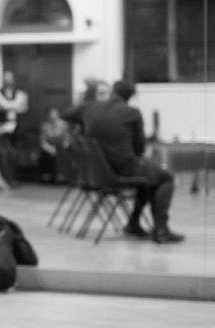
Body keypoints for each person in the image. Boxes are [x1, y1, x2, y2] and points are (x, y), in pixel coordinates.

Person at [62, 79, 184, 244]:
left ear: (112, 91)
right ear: (131, 96)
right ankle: (161, 229)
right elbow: (140, 148)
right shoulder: (132, 113)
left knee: (148, 178)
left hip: (97, 173)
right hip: (122, 170)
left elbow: (67, 114)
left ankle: (133, 224)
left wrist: (88, 112)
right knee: (166, 177)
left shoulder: (90, 107)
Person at [0, 70, 27, 186]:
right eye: (6, 79)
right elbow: (3, 106)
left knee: (14, 154)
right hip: (2, 128)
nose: (8, 82)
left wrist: (10, 106)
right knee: (6, 154)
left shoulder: (19, 93)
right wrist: (13, 106)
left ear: (13, 80)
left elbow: (22, 108)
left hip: (15, 128)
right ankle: (8, 179)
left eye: (9, 79)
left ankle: (13, 178)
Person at [37, 106, 70, 183]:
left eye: (54, 115)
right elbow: (43, 141)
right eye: (51, 116)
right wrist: (49, 148)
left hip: (61, 147)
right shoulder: (45, 126)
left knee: (64, 154)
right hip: (49, 147)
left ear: (58, 115)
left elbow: (67, 139)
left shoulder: (63, 125)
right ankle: (47, 175)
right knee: (46, 154)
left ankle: (62, 175)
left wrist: (64, 146)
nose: (53, 118)